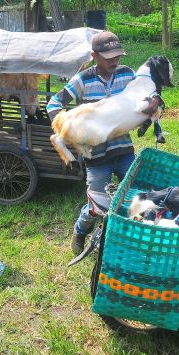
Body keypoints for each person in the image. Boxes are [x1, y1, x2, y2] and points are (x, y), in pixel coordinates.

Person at [47, 31, 162, 254]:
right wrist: (67, 129)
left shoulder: (128, 75)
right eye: (108, 56)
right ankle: (81, 232)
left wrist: (154, 102)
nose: (114, 60)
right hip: (96, 156)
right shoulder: (82, 80)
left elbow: (150, 96)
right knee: (96, 205)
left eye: (117, 55)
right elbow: (53, 104)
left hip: (124, 149)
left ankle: (129, 244)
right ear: (94, 56)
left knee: (134, 195)